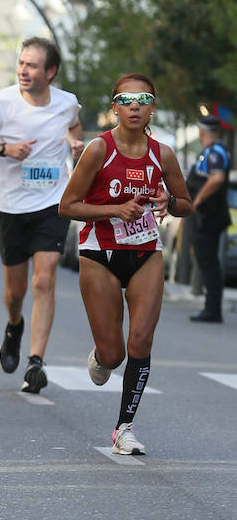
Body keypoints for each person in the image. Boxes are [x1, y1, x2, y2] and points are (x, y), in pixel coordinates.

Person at [59, 75, 191, 454]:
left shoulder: (162, 154)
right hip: (100, 254)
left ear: (152, 106)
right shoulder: (99, 150)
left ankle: (123, 428)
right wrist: (115, 209)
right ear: (114, 106)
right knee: (114, 354)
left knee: (141, 340)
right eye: (126, 99)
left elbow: (185, 202)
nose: (135, 105)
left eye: (143, 98)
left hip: (145, 252)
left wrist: (169, 202)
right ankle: (101, 355)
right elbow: (67, 206)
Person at [0, 37, 83, 394]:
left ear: (50, 72)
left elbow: (73, 124)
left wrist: (74, 142)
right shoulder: (4, 102)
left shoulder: (67, 103)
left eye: (31, 65)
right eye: (21, 63)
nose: (23, 70)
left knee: (44, 280)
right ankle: (14, 325)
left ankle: (36, 361)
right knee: (15, 291)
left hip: (52, 204)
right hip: (12, 208)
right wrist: (4, 149)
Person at [186, 114, 231, 323]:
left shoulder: (215, 152)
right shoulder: (210, 152)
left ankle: (212, 310)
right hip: (206, 216)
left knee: (208, 262)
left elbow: (217, 177)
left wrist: (198, 199)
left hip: (209, 216)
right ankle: (210, 307)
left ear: (202, 132)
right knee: (206, 261)